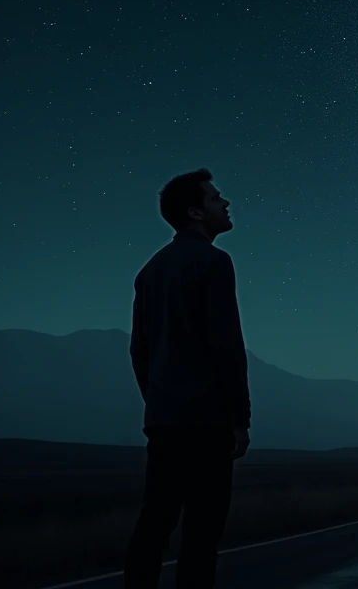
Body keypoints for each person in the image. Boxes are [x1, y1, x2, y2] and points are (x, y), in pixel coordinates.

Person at [124, 168, 251, 589]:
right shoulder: (215, 262)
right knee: (201, 536)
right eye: (217, 198)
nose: (226, 203)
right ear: (196, 212)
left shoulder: (149, 271)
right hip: (207, 422)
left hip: (163, 422)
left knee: (154, 525)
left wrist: (157, 400)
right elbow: (226, 345)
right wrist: (239, 418)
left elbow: (138, 350)